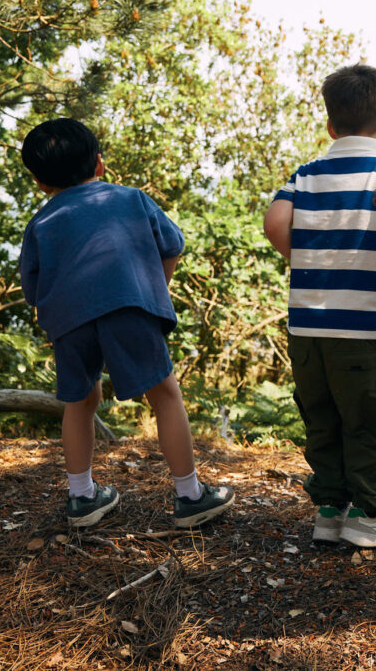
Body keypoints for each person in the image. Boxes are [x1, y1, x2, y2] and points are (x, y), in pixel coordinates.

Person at [18, 117, 234, 528]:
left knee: (79, 401)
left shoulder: (40, 223)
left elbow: (33, 288)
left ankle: (82, 498)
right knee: (165, 395)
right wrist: (155, 291)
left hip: (68, 318)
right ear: (99, 164)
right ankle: (190, 496)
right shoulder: (130, 199)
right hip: (130, 305)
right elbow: (172, 245)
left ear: (40, 182)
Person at [262, 65, 376, 548]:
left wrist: (303, 257)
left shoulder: (305, 175)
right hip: (364, 328)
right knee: (373, 419)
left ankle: (330, 511)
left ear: (330, 127)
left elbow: (274, 222)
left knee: (321, 416)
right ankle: (370, 515)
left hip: (306, 325)